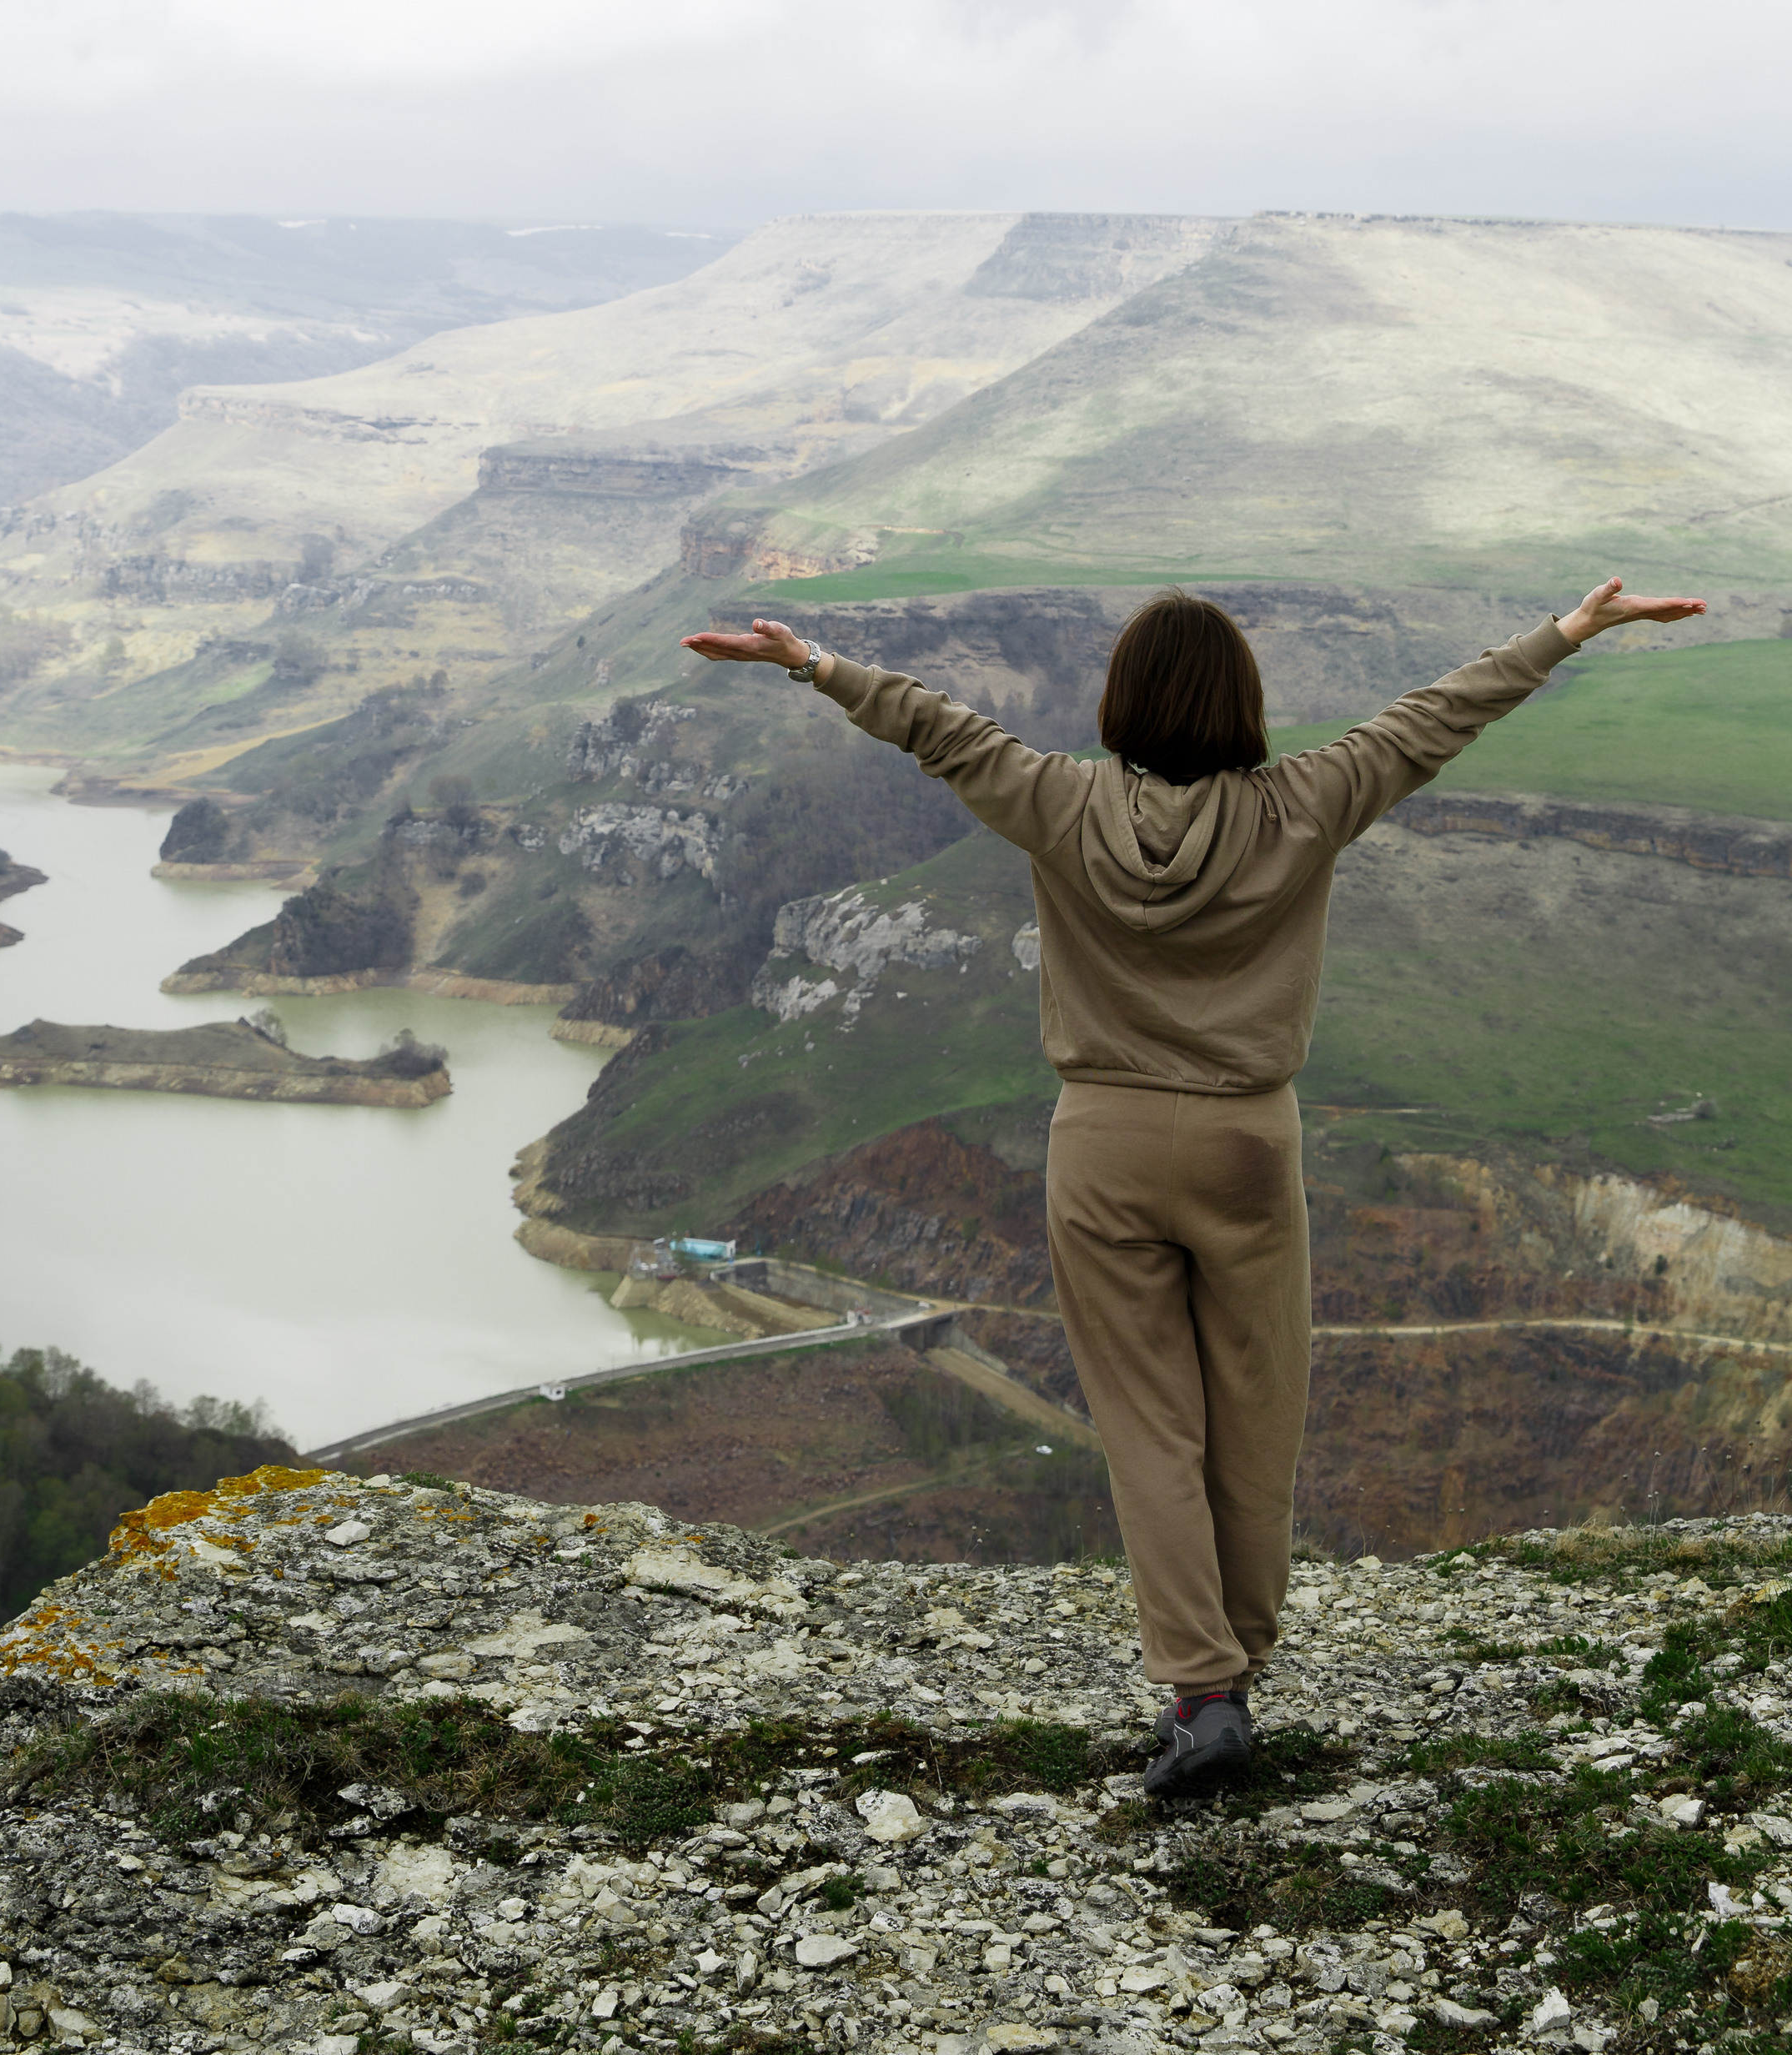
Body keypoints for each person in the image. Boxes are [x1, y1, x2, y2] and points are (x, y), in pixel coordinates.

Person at [682, 575, 1705, 1796]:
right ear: (1244, 705)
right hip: (1247, 1144)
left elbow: (937, 727)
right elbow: (1433, 718)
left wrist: (815, 663)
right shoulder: (1305, 805)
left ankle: (1202, 1690)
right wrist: (1568, 632)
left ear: (1120, 701)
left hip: (1103, 1140)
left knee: (1148, 1424)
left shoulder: (1061, 801)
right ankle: (1242, 1665)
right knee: (1256, 1414)